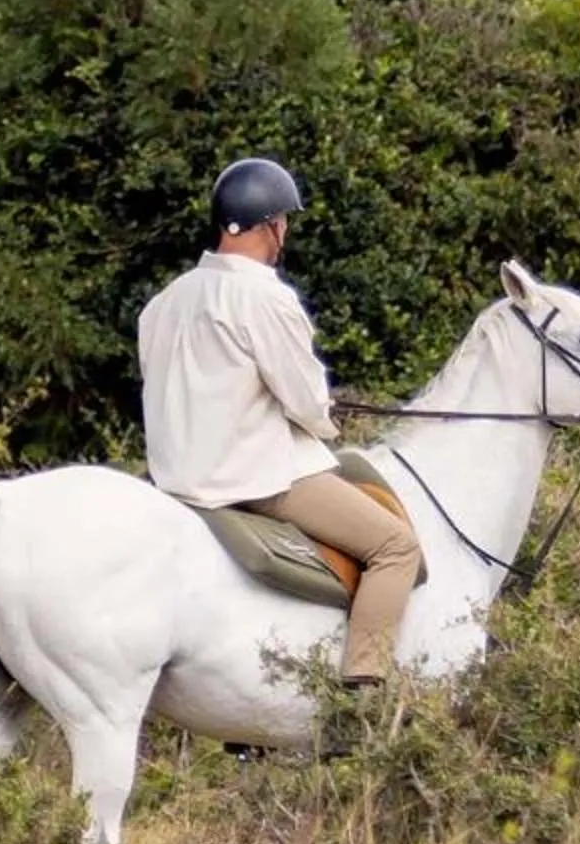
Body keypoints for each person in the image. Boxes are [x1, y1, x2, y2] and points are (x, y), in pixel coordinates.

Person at [136, 158, 424, 690]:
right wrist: (326, 415)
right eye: (284, 221)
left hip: (174, 477)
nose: (285, 231)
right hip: (250, 479)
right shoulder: (264, 296)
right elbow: (307, 402)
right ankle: (363, 689)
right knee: (396, 548)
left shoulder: (163, 302)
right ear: (271, 225)